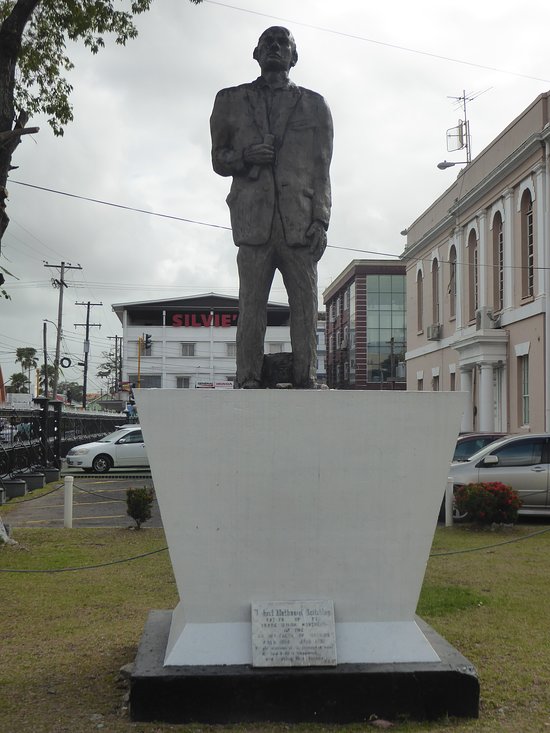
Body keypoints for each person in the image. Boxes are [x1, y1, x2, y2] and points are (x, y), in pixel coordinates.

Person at [210, 26, 333, 388]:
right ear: (257, 52)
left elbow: (322, 168)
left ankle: (305, 377)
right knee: (251, 305)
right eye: (269, 42)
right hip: (253, 220)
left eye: (284, 43)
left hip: (299, 222)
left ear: (294, 56)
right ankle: (247, 377)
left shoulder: (315, 104)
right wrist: (246, 156)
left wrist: (321, 220)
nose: (276, 47)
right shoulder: (229, 99)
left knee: (306, 309)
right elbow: (218, 159)